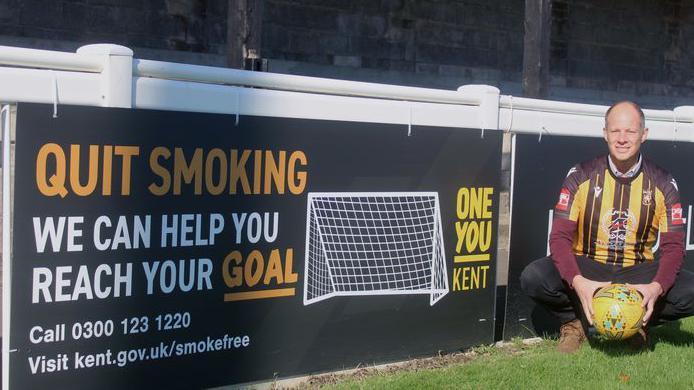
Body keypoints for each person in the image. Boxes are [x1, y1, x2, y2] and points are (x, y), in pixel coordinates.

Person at [520, 101, 694, 353]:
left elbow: (674, 248)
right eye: (615, 131)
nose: (622, 139)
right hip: (589, 266)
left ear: (644, 135)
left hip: (637, 273)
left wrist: (655, 288)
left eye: (630, 131)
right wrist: (578, 282)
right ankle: (575, 323)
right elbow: (559, 238)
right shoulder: (580, 175)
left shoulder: (664, 183)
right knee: (533, 278)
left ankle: (636, 324)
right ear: (605, 134)